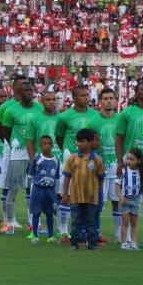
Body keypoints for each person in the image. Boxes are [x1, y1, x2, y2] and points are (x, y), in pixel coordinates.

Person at [55, 84, 99, 242]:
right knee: (66, 194)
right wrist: (68, 152)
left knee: (86, 193)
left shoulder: (95, 115)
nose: (86, 98)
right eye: (82, 95)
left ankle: (85, 232)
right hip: (70, 156)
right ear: (74, 98)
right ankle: (64, 231)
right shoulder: (65, 116)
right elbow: (59, 136)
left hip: (89, 159)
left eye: (87, 95)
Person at [115, 81, 143, 247]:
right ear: (136, 93)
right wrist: (120, 161)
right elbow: (119, 138)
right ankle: (125, 237)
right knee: (130, 198)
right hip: (131, 164)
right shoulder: (127, 112)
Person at [1, 82, 42, 235]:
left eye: (31, 90)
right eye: (26, 90)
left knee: (33, 190)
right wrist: (15, 146)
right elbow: (6, 132)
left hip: (35, 155)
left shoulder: (39, 108)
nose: (30, 92)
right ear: (18, 92)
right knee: (13, 189)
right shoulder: (10, 110)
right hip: (17, 155)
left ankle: (33, 223)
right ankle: (10, 223)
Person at [25, 90, 62, 238]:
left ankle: (60, 230)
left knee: (57, 197)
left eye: (54, 99)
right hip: (41, 164)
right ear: (42, 101)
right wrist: (34, 158)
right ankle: (34, 228)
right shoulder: (35, 119)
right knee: (36, 196)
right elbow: (29, 140)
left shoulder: (62, 118)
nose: (52, 102)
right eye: (48, 99)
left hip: (58, 161)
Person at [62, 128, 105, 250]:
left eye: (82, 141)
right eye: (78, 141)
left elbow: (101, 178)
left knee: (91, 222)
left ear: (90, 142)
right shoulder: (72, 158)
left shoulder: (97, 159)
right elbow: (67, 177)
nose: (79, 144)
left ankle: (92, 244)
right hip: (75, 197)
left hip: (92, 197)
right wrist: (65, 194)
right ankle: (74, 244)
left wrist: (98, 192)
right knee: (76, 221)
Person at [88, 87, 120, 243]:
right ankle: (96, 234)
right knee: (97, 205)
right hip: (98, 171)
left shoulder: (120, 119)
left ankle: (119, 236)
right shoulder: (93, 121)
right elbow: (87, 145)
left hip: (117, 169)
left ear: (115, 100)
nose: (108, 101)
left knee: (118, 203)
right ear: (100, 101)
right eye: (105, 98)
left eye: (111, 98)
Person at [0, 76, 28, 231]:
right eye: (21, 85)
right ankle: (7, 220)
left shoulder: (35, 106)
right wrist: (9, 145)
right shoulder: (6, 107)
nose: (24, 88)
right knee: (9, 186)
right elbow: (0, 129)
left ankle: (32, 222)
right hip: (11, 152)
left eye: (26, 85)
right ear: (14, 87)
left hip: (29, 152)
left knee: (30, 186)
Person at [27, 135, 59, 243]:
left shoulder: (55, 160)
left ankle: (50, 236)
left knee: (50, 213)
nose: (47, 146)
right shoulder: (37, 159)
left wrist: (57, 192)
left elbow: (57, 177)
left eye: (49, 143)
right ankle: (35, 235)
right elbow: (31, 175)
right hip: (38, 190)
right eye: (44, 143)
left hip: (50, 191)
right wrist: (33, 189)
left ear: (52, 145)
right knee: (36, 213)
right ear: (40, 145)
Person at [115, 148, 143, 251]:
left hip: (136, 201)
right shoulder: (123, 170)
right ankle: (124, 243)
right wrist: (120, 197)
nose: (128, 161)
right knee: (125, 223)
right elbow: (117, 185)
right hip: (125, 200)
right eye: (127, 159)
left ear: (138, 160)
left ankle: (133, 243)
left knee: (134, 223)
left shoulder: (142, 171)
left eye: (131, 159)